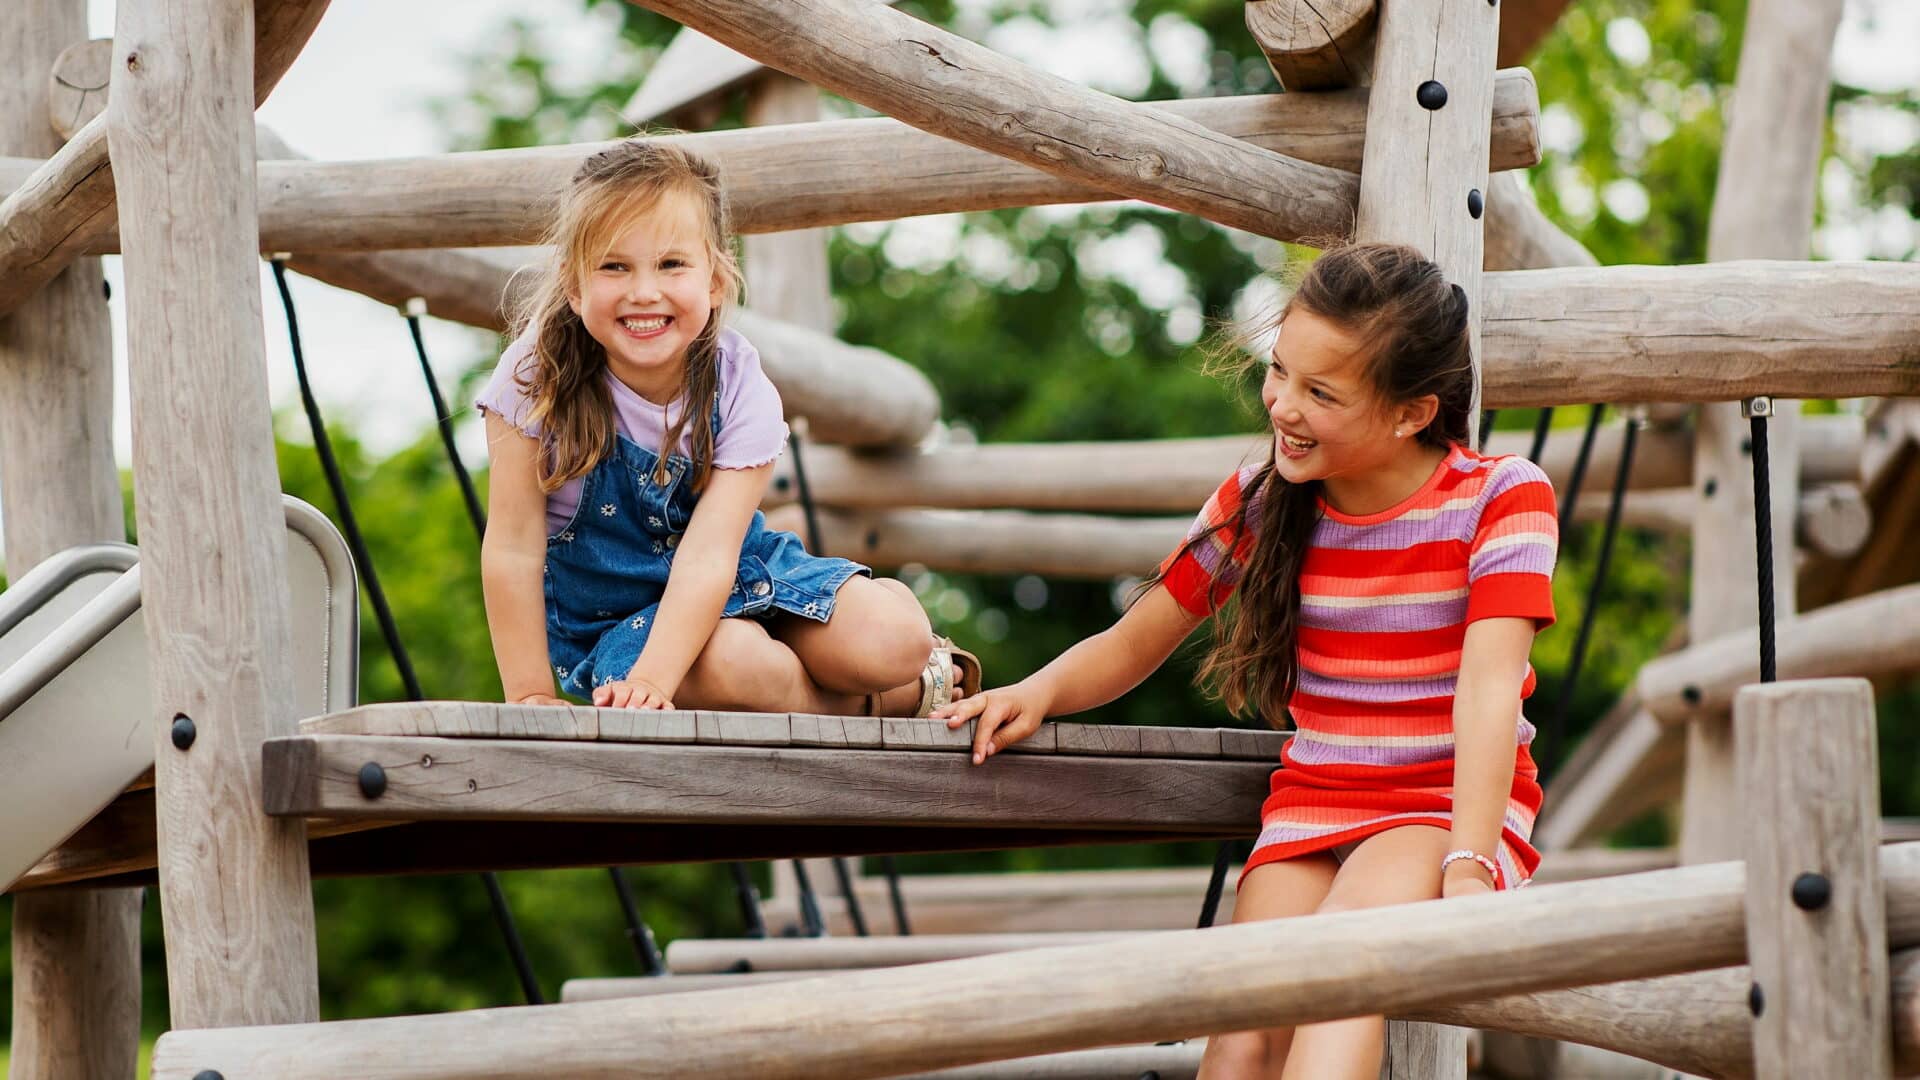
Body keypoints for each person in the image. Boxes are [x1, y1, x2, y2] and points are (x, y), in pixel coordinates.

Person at [936, 243, 1558, 1078]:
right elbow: (1137, 637)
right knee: (1243, 1025)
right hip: (1317, 799)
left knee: (1341, 973)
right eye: (1280, 373)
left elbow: (1488, 692)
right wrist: (1039, 690)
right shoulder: (1262, 500)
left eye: (1321, 393)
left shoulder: (1501, 497)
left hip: (1441, 807)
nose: (1282, 407)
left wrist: (1470, 866)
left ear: (1412, 413)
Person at [479, 139, 978, 716]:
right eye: (614, 266)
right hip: (617, 626)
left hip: (741, 574)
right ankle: (868, 710)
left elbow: (710, 557)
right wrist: (533, 694)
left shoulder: (738, 384)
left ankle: (899, 665)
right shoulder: (534, 378)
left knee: (897, 641)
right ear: (575, 285)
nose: (644, 291)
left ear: (715, 280)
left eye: (671, 264)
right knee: (742, 662)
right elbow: (512, 548)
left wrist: (658, 681)